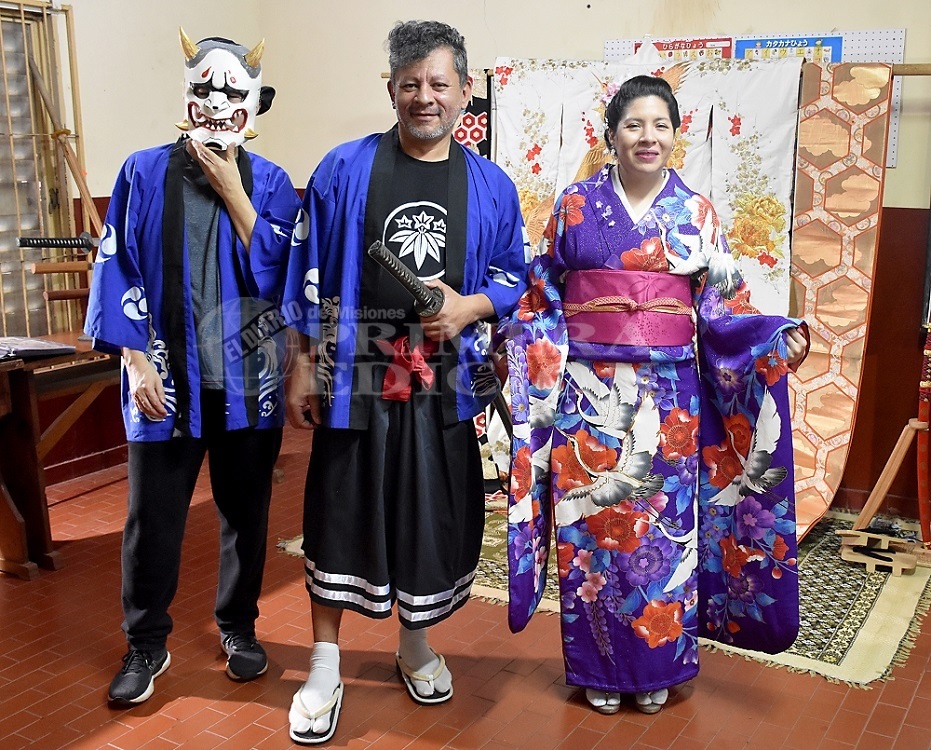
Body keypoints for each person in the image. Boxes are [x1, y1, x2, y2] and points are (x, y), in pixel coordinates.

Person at [501, 75, 808, 716]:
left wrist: (771, 342)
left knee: (663, 537)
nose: (648, 137)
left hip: (669, 401)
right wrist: (528, 349)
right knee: (591, 531)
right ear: (610, 135)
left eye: (660, 126)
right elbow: (541, 293)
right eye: (634, 125)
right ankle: (599, 668)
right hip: (587, 396)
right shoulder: (575, 205)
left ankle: (659, 666)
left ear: (675, 136)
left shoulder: (696, 213)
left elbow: (724, 311)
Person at [282, 20, 529, 745]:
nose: (426, 97)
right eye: (411, 83)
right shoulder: (342, 168)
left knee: (431, 514)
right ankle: (324, 663)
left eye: (439, 84)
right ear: (390, 88)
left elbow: (514, 275)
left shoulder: (490, 185)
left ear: (465, 91)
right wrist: (302, 363)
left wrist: (470, 306)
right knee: (338, 512)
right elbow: (306, 270)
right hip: (354, 371)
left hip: (443, 378)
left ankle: (414, 644)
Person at [84, 29, 300, 706]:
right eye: (204, 89)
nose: (216, 103)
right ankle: (146, 642)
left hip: (249, 385)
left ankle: (238, 627)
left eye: (232, 92)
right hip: (163, 381)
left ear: (254, 104)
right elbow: (115, 263)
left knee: (246, 516)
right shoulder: (142, 173)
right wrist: (133, 359)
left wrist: (234, 190)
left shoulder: (272, 184)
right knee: (152, 521)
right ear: (185, 96)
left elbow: (283, 277)